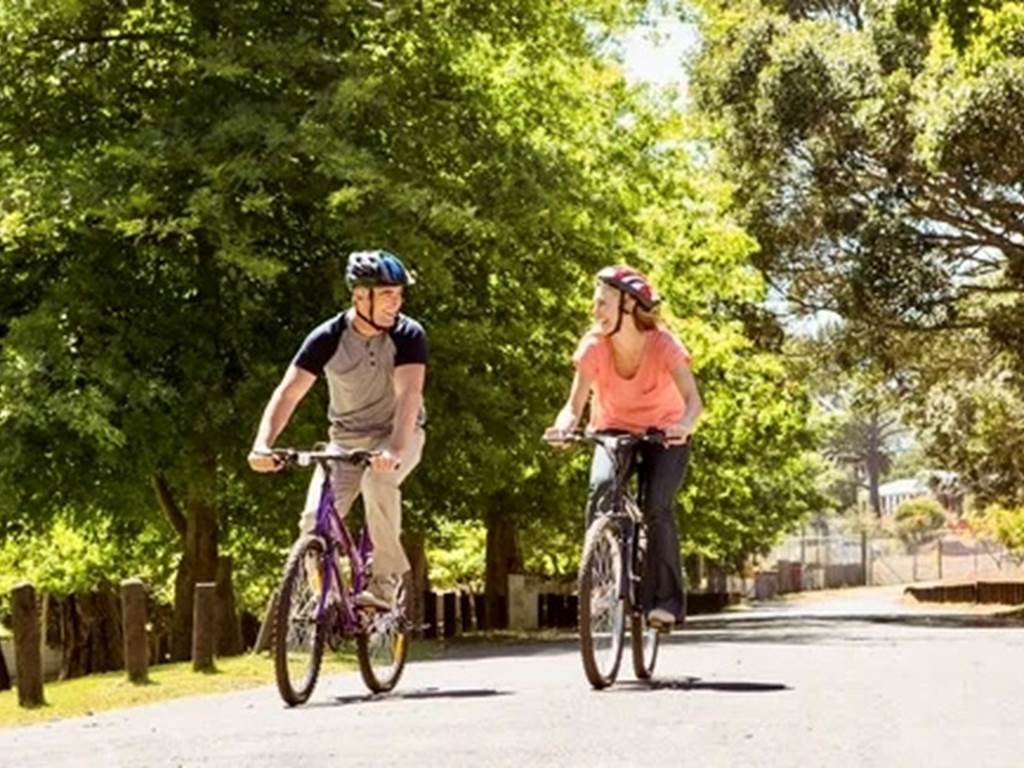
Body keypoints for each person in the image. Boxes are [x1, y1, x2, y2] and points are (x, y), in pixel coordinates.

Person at [248, 250, 427, 610]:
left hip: (399, 434)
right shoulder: (327, 337)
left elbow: (409, 394)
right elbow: (288, 393)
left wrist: (393, 449)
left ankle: (384, 583)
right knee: (315, 521)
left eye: (399, 294)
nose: (397, 302)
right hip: (344, 441)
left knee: (378, 481)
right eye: (388, 294)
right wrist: (262, 445)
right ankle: (326, 600)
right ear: (361, 296)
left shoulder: (408, 334)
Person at [545, 265, 702, 630]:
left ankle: (662, 603)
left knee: (656, 507)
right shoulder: (593, 347)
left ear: (629, 305)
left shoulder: (664, 345)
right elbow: (574, 405)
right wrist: (563, 426)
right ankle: (602, 579)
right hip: (612, 429)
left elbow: (693, 401)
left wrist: (684, 426)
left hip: (665, 433)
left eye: (603, 303)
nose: (594, 311)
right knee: (601, 488)